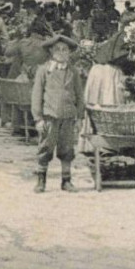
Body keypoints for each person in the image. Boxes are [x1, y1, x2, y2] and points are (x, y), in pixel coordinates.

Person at [31, 34, 85, 192]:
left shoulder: (73, 72)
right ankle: (41, 180)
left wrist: (80, 117)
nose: (61, 52)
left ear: (69, 52)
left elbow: (79, 95)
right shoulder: (44, 70)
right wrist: (38, 118)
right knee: (45, 147)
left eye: (65, 49)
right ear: (51, 52)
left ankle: (66, 180)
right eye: (57, 49)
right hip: (49, 116)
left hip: (68, 116)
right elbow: (36, 95)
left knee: (67, 148)